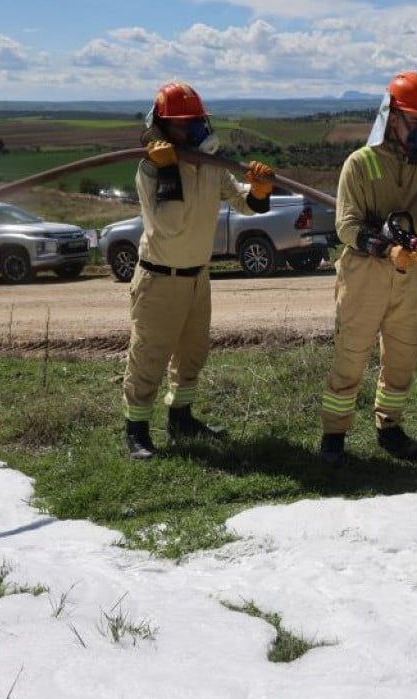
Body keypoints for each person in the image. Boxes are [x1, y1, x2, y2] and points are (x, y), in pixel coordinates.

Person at [122, 81, 275, 460]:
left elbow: (243, 202)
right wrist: (170, 172)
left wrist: (259, 190)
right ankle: (137, 431)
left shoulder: (209, 167)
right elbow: (169, 224)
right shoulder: (150, 170)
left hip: (197, 276)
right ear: (162, 127)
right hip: (160, 278)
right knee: (149, 354)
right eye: (182, 124)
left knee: (192, 353)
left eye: (196, 122)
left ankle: (181, 418)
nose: (193, 131)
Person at [319, 71, 417, 466]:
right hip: (364, 278)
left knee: (402, 357)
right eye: (415, 122)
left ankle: (389, 427)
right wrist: (386, 249)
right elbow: (346, 226)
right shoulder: (359, 164)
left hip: (407, 279)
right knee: (350, 355)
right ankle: (334, 437)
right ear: (392, 118)